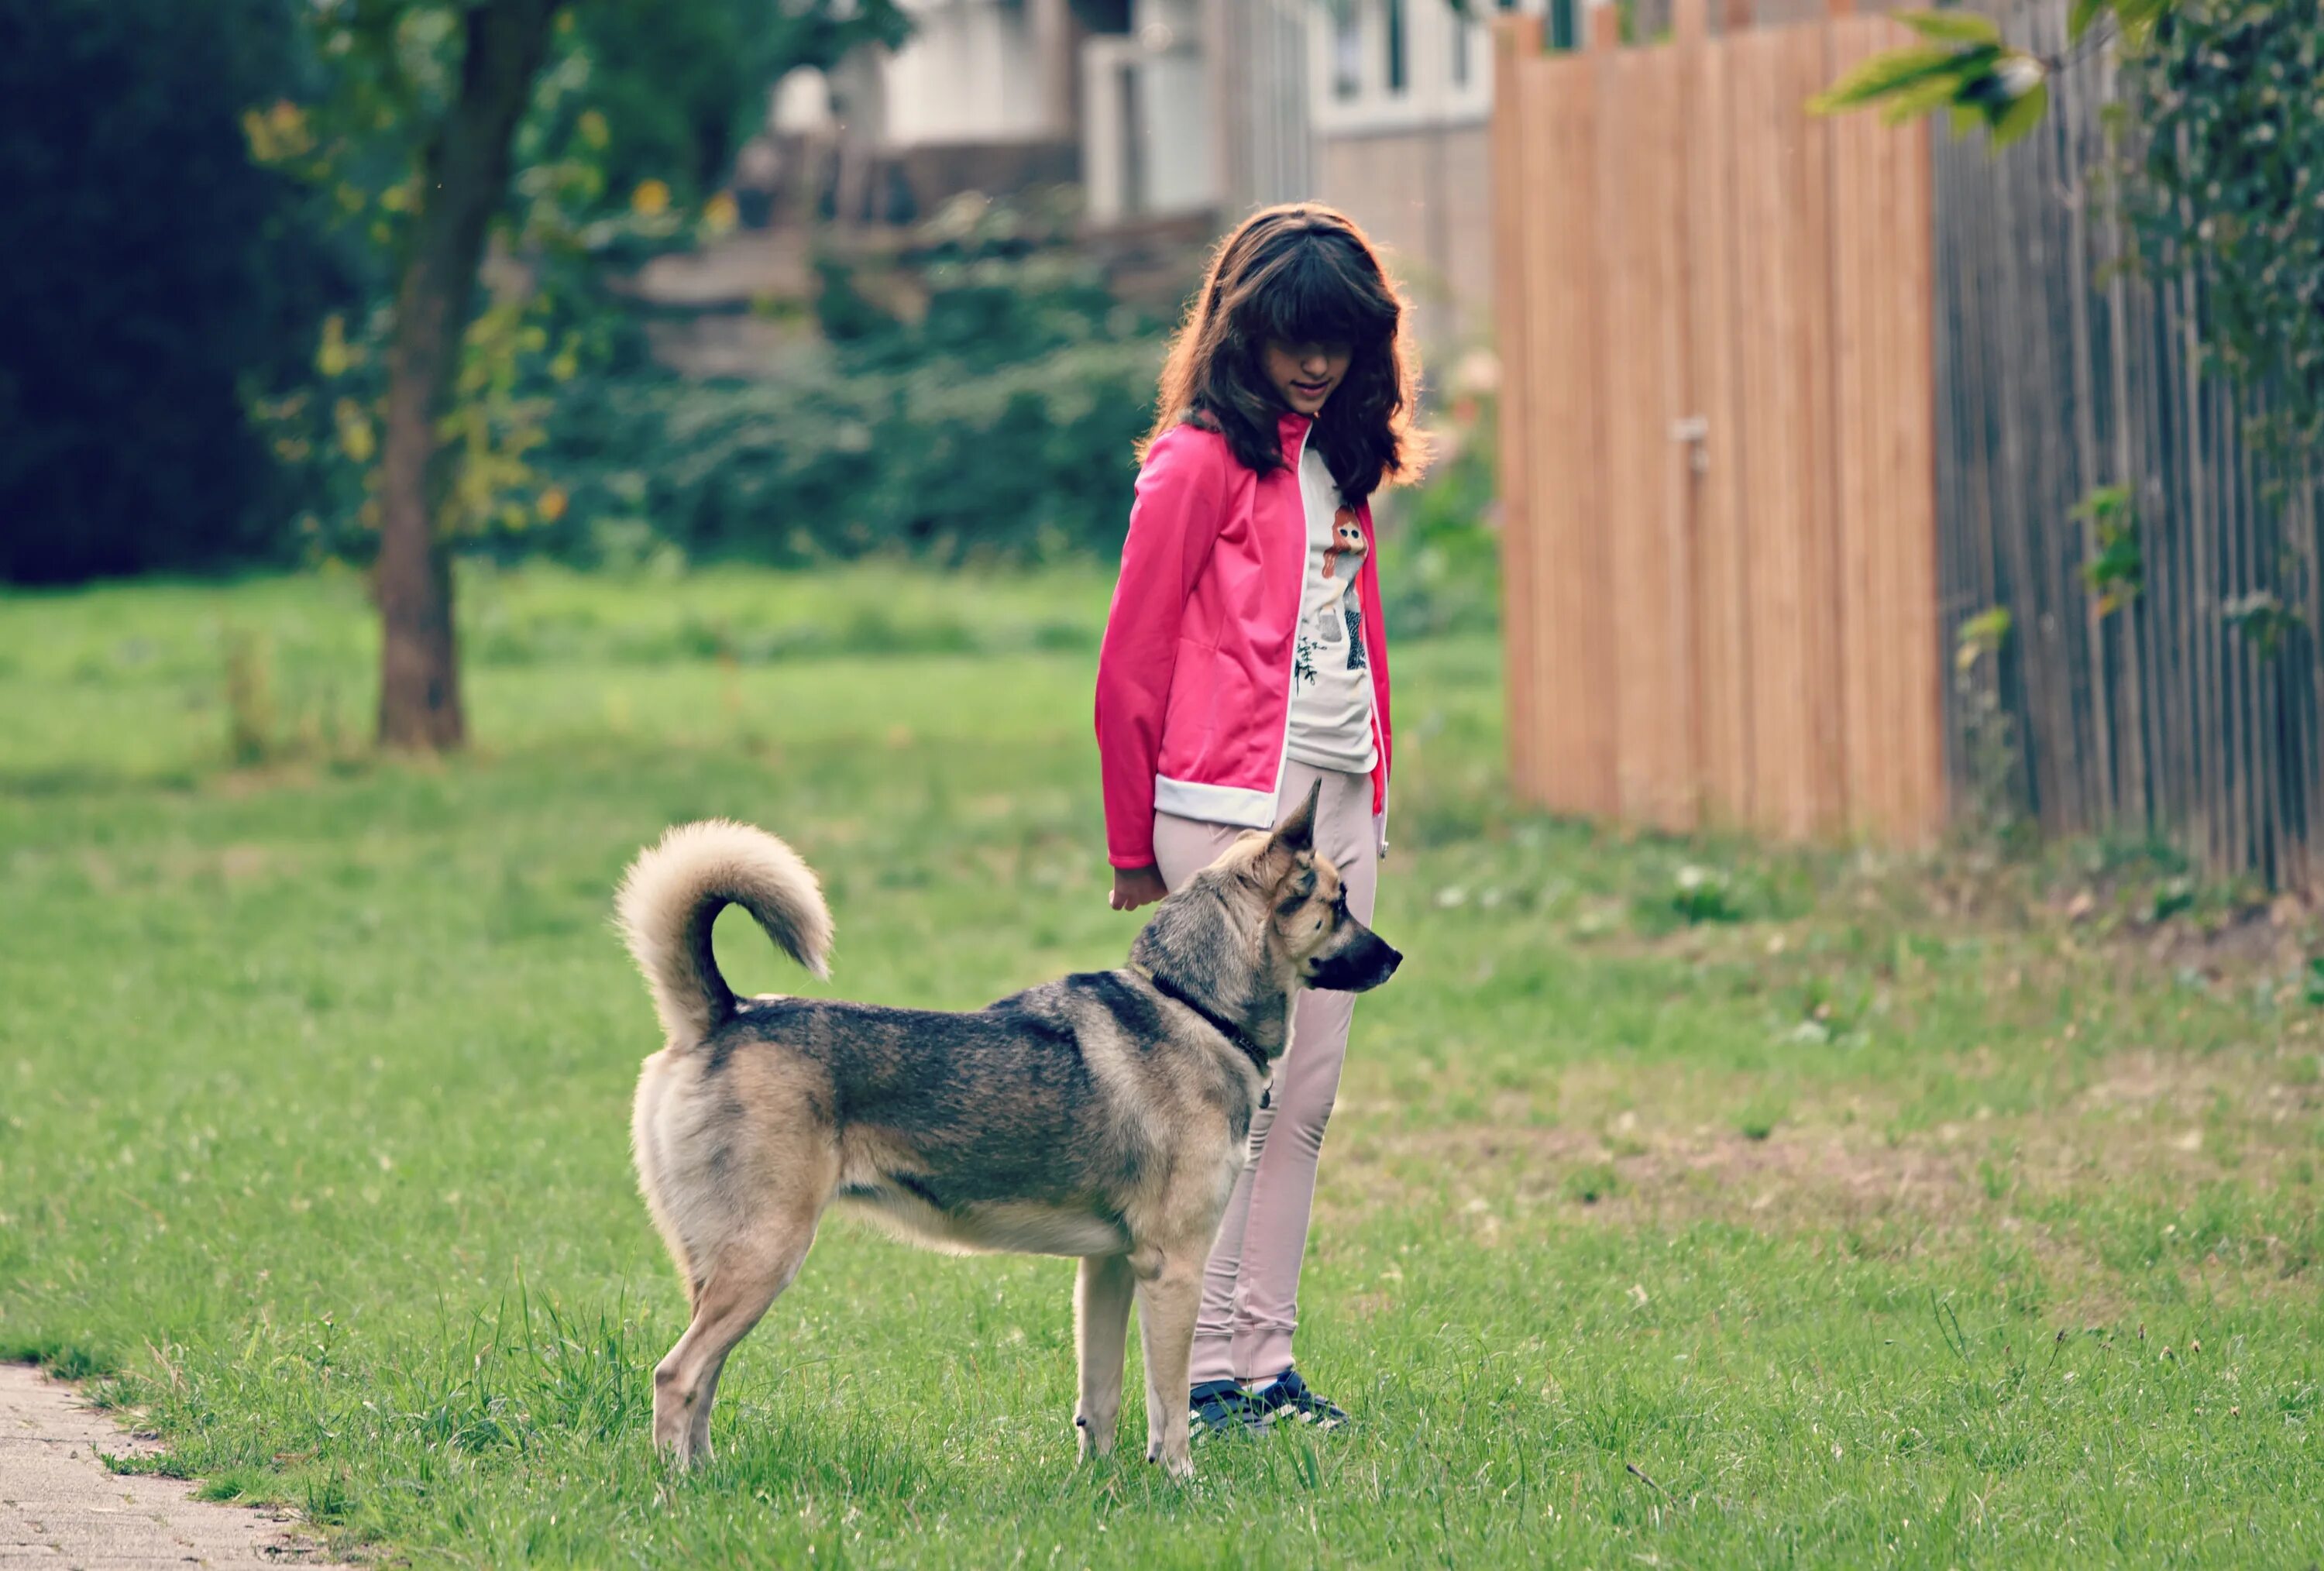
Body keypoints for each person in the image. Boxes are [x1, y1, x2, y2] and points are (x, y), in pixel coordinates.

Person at [1092, 203, 1425, 1435]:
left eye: (1339, 339)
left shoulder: (1342, 466)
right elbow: (1131, 663)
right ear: (1242, 329)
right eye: (1294, 334)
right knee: (1226, 1101)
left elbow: (1357, 645)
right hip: (1224, 813)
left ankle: (1262, 1367)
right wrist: (1135, 844)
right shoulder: (1193, 461)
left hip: (1341, 799)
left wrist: (1375, 801)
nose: (1316, 361)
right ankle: (1205, 1382)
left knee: (1310, 1098)